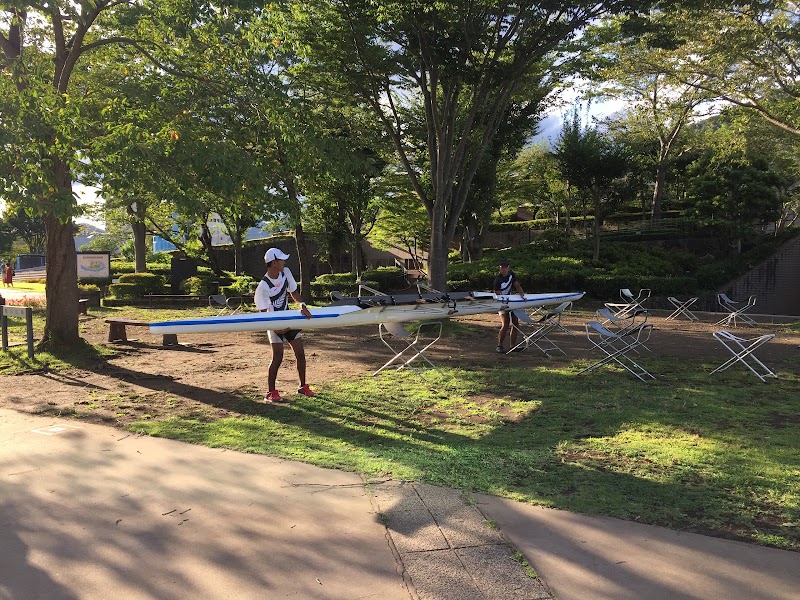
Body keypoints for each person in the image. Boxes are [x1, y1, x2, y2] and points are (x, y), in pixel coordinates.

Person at [254, 247, 315, 403]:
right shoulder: (263, 287)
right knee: (278, 357)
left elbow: (293, 292)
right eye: (281, 259)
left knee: (300, 353)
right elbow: (263, 312)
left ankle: (303, 387)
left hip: (289, 319)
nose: (284, 262)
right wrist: (275, 327)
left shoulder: (285, 272)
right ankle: (271, 392)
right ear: (274, 263)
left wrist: (302, 305)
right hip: (273, 323)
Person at [493, 258, 525, 353]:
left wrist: (522, 295)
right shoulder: (497, 280)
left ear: (508, 267)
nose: (503, 269)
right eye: (502, 267)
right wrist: (504, 305)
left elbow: (517, 285)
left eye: (505, 267)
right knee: (505, 323)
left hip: (511, 301)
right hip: (502, 303)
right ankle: (499, 345)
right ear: (499, 268)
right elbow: (498, 295)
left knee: (515, 323)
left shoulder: (511, 274)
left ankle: (513, 346)